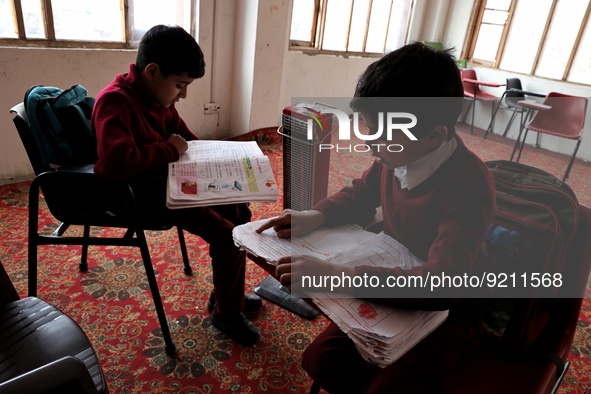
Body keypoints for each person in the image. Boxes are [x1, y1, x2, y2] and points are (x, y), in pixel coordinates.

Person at [257, 42, 496, 392]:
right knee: (320, 361)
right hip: (390, 275)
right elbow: (362, 191)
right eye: (368, 127)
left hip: (443, 313)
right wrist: (314, 215)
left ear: (434, 137)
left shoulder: (469, 187)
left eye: (381, 134)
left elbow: (442, 285)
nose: (370, 144)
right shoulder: (396, 154)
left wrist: (340, 276)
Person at [92, 25, 262, 347]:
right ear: (152, 72)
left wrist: (222, 161)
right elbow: (116, 165)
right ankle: (226, 314)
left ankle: (227, 295)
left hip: (172, 184)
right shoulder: (115, 102)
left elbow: (187, 142)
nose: (183, 95)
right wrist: (171, 149)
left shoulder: (159, 100)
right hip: (146, 196)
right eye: (180, 85)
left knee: (240, 211)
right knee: (227, 237)